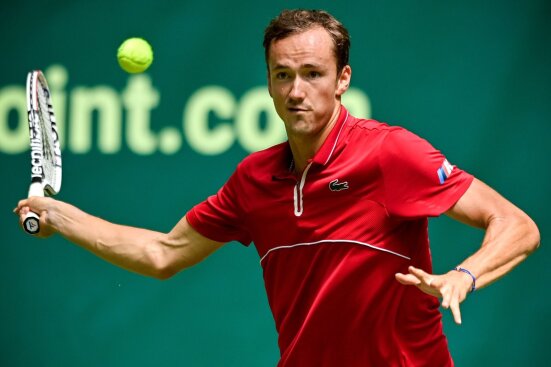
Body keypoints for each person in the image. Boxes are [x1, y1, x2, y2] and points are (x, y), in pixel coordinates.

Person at [15, 9, 539, 367]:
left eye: (313, 73)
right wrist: (59, 216)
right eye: (282, 75)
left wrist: (464, 276)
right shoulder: (253, 180)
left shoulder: (390, 153)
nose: (296, 90)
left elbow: (518, 225)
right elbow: (161, 253)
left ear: (343, 79)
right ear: (268, 81)